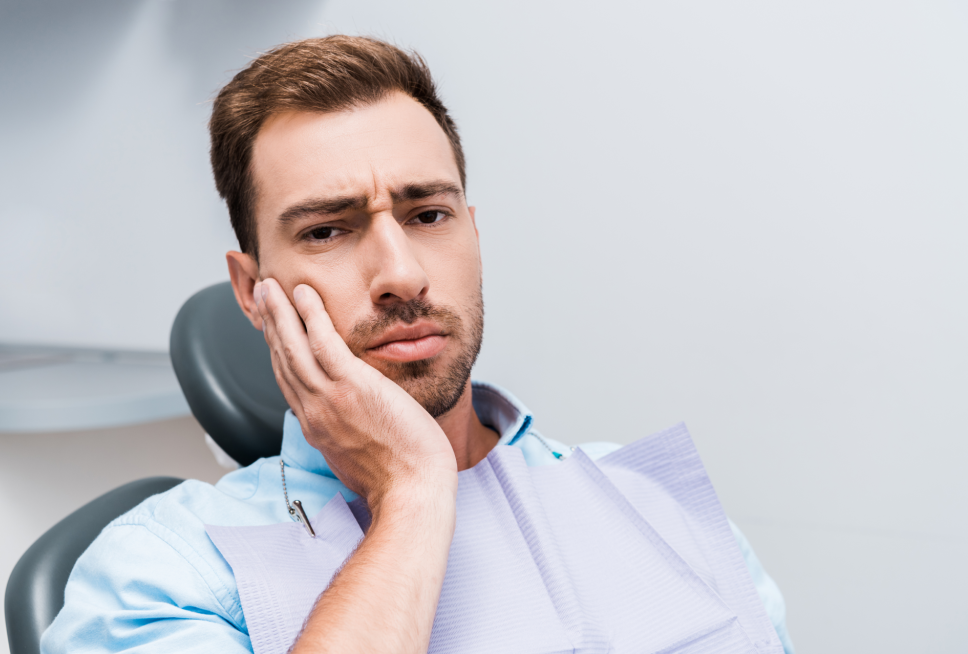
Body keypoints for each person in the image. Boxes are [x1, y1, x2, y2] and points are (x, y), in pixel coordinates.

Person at [42, 35, 795, 654]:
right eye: (328, 230)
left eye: (428, 216)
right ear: (251, 291)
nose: (400, 274)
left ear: (474, 232)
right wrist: (411, 492)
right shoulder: (159, 574)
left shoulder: (652, 508)